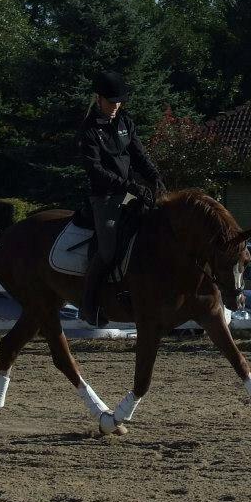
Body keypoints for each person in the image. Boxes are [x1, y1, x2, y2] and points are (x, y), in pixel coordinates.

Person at [77, 70, 166, 327]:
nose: (116, 106)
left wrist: (155, 177)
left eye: (119, 101)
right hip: (104, 197)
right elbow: (96, 170)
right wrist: (129, 186)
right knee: (107, 251)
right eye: (111, 101)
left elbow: (138, 156)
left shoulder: (125, 121)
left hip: (130, 192)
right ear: (98, 99)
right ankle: (89, 303)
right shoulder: (89, 130)